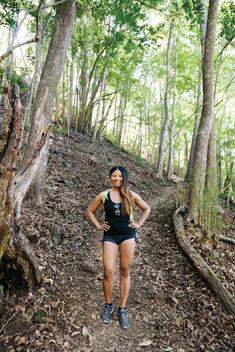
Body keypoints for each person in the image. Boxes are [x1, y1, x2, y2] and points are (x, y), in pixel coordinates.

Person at [86, 166, 150, 329]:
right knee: (108, 270)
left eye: (119, 176)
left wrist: (138, 224)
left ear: (124, 178)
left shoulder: (131, 195)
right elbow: (90, 211)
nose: (116, 178)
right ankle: (109, 305)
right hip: (110, 236)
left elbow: (146, 208)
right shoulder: (104, 195)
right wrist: (98, 225)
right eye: (114, 176)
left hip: (128, 235)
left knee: (125, 270)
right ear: (110, 178)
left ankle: (122, 309)